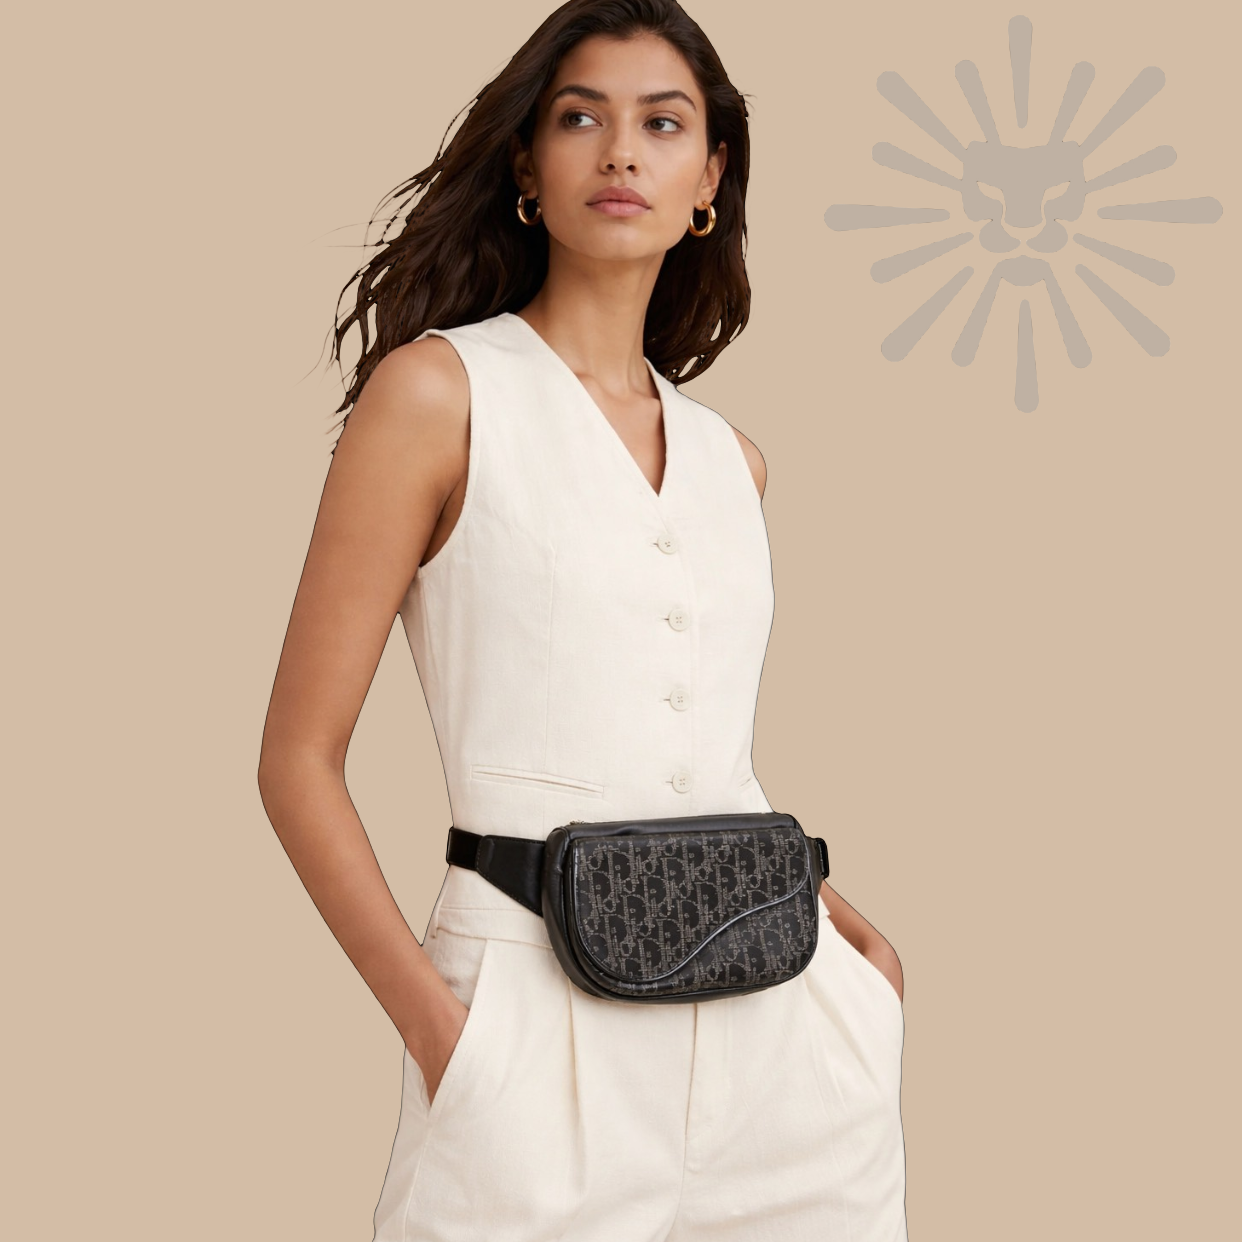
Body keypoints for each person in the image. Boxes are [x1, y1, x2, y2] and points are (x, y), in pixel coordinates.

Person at [257, 2, 909, 1239]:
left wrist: (858, 967)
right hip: (528, 1034)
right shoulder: (439, 395)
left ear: (709, 177)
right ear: (527, 164)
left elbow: (694, 744)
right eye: (579, 118)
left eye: (663, 124)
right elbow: (296, 760)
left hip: (789, 1045)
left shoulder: (733, 460)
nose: (620, 152)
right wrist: (444, 1038)